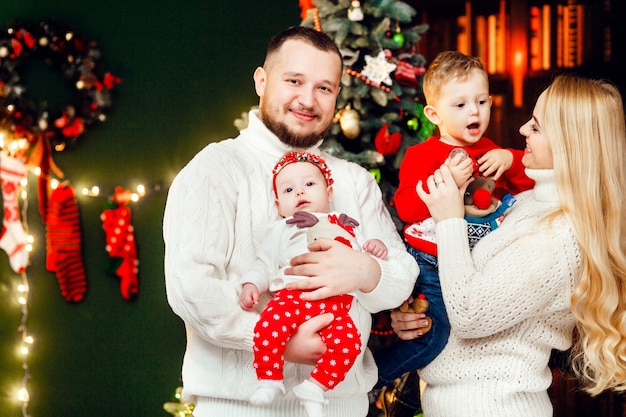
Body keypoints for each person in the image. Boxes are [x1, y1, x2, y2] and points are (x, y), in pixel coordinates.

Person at [163, 26, 420, 417]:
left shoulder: (353, 180)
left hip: (341, 407)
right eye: (294, 81)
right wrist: (275, 339)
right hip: (239, 409)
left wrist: (367, 272)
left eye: (324, 88)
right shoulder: (214, 169)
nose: (307, 100)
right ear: (261, 81)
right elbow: (191, 287)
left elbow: (401, 277)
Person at [390, 74, 626, 417]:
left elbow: (470, 315)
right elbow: (463, 288)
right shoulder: (527, 203)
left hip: (494, 406)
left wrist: (450, 220)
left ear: (569, 143)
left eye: (537, 126)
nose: (522, 131)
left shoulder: (560, 236)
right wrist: (417, 317)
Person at [373, 51, 534, 414]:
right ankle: (370, 378)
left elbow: (529, 190)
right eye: (460, 104)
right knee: (433, 337)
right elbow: (406, 209)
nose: (474, 113)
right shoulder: (423, 154)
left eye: (481, 102)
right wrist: (445, 183)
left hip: (473, 264)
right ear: (434, 114)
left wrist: (511, 158)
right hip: (430, 260)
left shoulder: (492, 151)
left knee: (459, 330)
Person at [239, 151, 388, 417]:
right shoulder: (283, 228)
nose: (299, 192)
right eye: (288, 189)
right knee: (268, 327)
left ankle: (315, 387)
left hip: (336, 304)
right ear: (278, 204)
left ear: (329, 192)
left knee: (349, 343)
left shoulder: (347, 226)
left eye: (309, 184)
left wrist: (374, 247)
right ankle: (270, 379)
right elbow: (264, 262)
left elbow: (361, 257)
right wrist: (252, 284)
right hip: (294, 296)